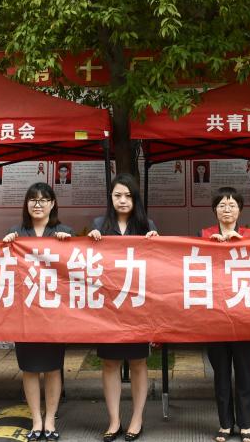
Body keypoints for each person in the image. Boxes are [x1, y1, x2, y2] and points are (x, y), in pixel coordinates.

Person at [87, 173, 158, 442]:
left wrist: (156, 241)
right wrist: (91, 240)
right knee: (110, 362)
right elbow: (89, 260)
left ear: (135, 198)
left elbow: (158, 264)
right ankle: (114, 420)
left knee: (138, 362)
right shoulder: (99, 224)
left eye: (128, 195)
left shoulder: (147, 225)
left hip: (137, 305)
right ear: (111, 198)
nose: (123, 200)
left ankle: (137, 419)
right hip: (109, 306)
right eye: (118, 195)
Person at [1, 183, 73, 442]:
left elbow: (73, 269)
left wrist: (67, 245)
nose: (38, 204)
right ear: (26, 204)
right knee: (29, 368)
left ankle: (50, 419)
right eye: (33, 199)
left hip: (54, 312)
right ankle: (36, 420)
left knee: (53, 367)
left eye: (44, 199)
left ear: (52, 204)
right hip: (25, 311)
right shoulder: (16, 232)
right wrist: (7, 245)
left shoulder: (64, 231)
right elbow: (5, 269)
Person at [201, 187, 250, 442]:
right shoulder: (203, 236)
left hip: (244, 317)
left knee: (245, 372)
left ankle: (246, 424)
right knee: (221, 374)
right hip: (215, 317)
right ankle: (225, 424)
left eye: (232, 205)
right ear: (214, 210)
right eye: (222, 205)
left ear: (240, 210)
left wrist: (241, 243)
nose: (227, 210)